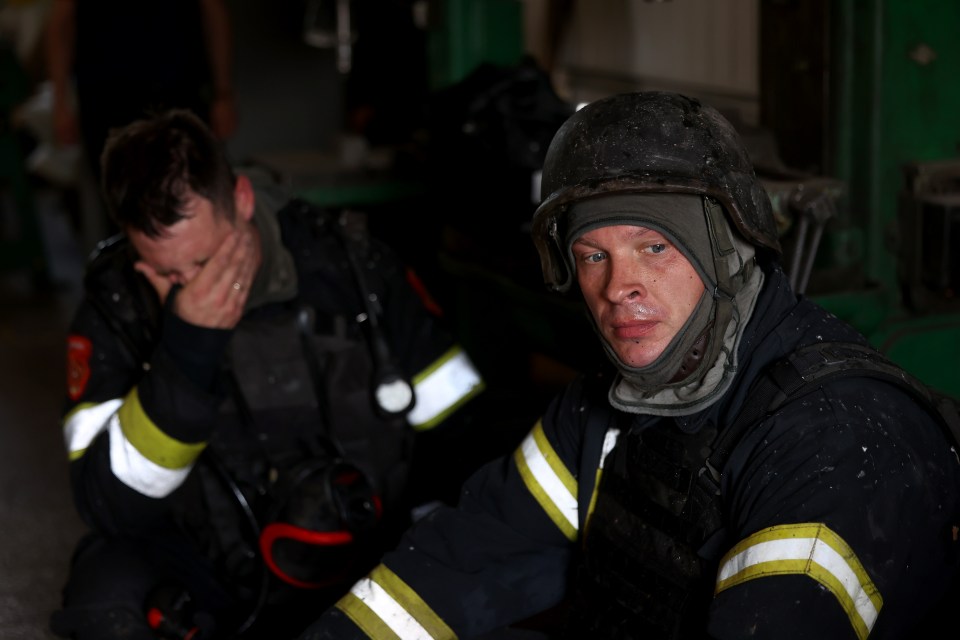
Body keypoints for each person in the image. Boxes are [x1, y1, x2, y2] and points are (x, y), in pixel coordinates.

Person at [296, 91, 960, 640]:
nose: (619, 287)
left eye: (654, 247)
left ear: (725, 253)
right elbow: (467, 557)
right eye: (593, 255)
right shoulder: (609, 407)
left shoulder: (837, 439)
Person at [49, 108, 485, 639]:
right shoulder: (118, 305)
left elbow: (465, 438)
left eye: (207, 261)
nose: (191, 289)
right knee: (105, 606)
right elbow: (110, 506)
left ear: (243, 200)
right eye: (167, 273)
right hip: (213, 565)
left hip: (367, 558)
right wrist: (188, 350)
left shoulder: (350, 266)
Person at [45, 0, 237, 181]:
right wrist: (60, 103)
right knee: (125, 199)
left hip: (178, 91)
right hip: (108, 106)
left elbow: (213, 10)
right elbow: (61, 23)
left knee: (201, 185)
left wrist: (222, 94)